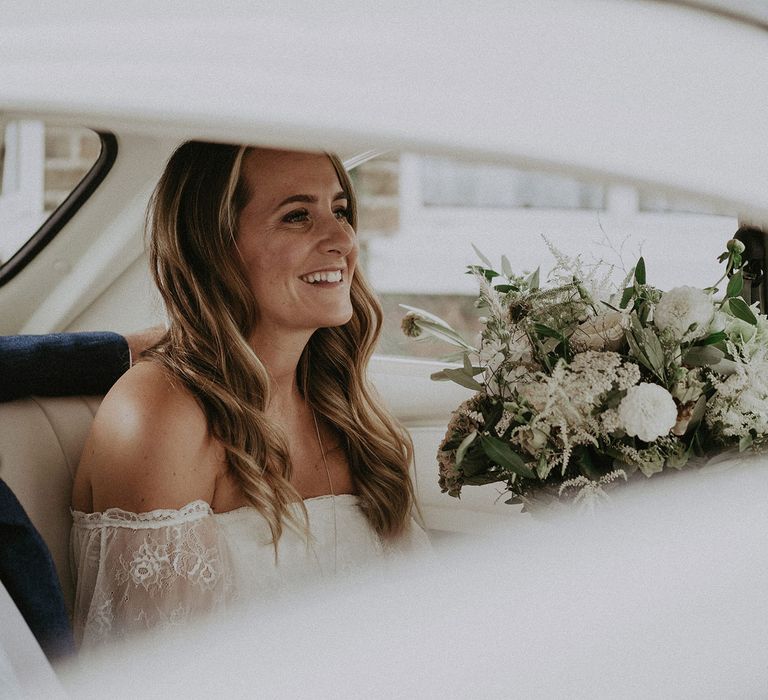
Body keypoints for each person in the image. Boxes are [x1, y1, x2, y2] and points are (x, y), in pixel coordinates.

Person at [69, 142, 429, 648]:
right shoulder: (160, 411)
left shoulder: (349, 408)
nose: (342, 239)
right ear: (214, 245)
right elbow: (168, 676)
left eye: (341, 210)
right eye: (298, 216)